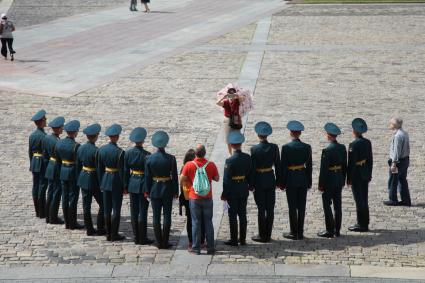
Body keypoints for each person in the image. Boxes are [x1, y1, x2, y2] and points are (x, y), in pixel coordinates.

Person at [181, 145, 219, 255]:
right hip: (207, 197)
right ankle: (210, 247)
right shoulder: (211, 165)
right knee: (208, 222)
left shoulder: (189, 165)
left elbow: (182, 179)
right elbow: (217, 178)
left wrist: (191, 180)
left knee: (196, 223)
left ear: (195, 154)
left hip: (194, 197)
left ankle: (196, 248)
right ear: (205, 153)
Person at [145, 131, 178, 249]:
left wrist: (147, 190)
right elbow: (174, 177)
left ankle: (159, 242)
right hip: (167, 189)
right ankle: (165, 241)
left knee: (156, 216)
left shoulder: (149, 159)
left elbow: (147, 177)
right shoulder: (171, 158)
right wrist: (176, 192)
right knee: (167, 216)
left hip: (154, 189)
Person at [281, 121, 312, 240]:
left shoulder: (286, 147)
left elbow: (283, 166)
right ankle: (300, 231)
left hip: (291, 179)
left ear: (291, 133)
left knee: (292, 206)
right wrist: (309, 181)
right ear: (299, 133)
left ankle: (293, 231)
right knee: (302, 206)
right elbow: (309, 166)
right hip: (303, 178)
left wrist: (282, 182)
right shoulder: (307, 147)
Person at [250, 121, 281, 243]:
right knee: (270, 208)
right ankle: (268, 234)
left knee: (261, 208)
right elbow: (278, 165)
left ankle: (262, 234)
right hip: (270, 179)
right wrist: (279, 181)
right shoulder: (274, 147)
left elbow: (252, 169)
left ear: (258, 135)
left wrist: (251, 184)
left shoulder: (254, 149)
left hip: (259, 180)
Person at [124, 127, 154, 245]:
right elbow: (148, 174)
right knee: (143, 211)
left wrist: (125, 186)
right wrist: (148, 187)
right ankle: (143, 237)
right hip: (142, 185)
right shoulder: (147, 155)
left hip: (132, 183)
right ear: (142, 141)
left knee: (134, 211)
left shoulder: (128, 153)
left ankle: (136, 236)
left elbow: (125, 171)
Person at [221, 131, 252, 246]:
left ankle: (234, 239)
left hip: (233, 190)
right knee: (243, 214)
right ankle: (242, 239)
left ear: (232, 145)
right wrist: (249, 185)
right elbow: (250, 173)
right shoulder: (247, 157)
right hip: (243, 188)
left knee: (232, 215)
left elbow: (226, 179)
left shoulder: (229, 161)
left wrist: (225, 193)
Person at [317, 123, 347, 238]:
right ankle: (337, 230)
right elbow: (345, 165)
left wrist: (321, 184)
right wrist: (343, 178)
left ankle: (330, 230)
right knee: (337, 205)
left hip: (329, 180)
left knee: (327, 205)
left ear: (328, 136)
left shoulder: (327, 150)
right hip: (339, 178)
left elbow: (323, 170)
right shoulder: (342, 147)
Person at [97, 124, 125, 241]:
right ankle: (114, 233)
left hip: (105, 180)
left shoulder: (101, 150)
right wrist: (124, 185)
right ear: (117, 137)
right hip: (116, 182)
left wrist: (101, 183)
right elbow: (122, 171)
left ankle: (108, 233)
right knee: (116, 209)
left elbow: (99, 169)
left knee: (107, 209)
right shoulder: (120, 152)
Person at [76, 123, 106, 236]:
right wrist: (101, 182)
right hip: (93, 180)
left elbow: (78, 165)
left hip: (83, 178)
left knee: (86, 205)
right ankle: (100, 227)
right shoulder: (96, 151)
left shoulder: (80, 148)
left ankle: (89, 229)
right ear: (96, 136)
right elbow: (99, 169)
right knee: (103, 204)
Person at [55, 120, 83, 230]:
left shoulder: (59, 143)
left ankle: (67, 222)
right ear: (75, 132)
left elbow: (58, 161)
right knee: (73, 198)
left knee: (65, 198)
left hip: (63, 172)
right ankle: (72, 223)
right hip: (72, 174)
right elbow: (78, 164)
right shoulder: (76, 146)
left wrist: (60, 172)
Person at [347, 118, 373, 232]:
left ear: (354, 131)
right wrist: (369, 173)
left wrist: (349, 178)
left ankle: (361, 224)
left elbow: (351, 164)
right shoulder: (367, 142)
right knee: (364, 198)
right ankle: (365, 222)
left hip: (357, 174)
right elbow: (370, 160)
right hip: (365, 172)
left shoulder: (353, 144)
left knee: (359, 200)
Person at [178, 149, 206, 250]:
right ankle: (201, 241)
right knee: (200, 219)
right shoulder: (198, 167)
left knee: (190, 220)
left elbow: (181, 183)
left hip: (187, 198)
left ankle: (191, 241)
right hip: (198, 196)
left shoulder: (183, 168)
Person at [384, 117, 411, 206]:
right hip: (405, 160)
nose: (389, 125)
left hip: (398, 162)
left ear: (394, 125)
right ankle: (406, 200)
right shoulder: (405, 133)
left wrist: (394, 163)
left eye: (390, 123)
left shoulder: (398, 136)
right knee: (402, 180)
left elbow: (396, 151)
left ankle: (393, 200)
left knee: (393, 180)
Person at [43, 116, 65, 224]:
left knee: (50, 192)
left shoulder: (47, 138)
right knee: (56, 193)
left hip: (50, 166)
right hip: (56, 167)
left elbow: (45, 155)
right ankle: (53, 217)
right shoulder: (57, 141)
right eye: (61, 127)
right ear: (57, 128)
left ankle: (48, 216)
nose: (62, 129)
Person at [29, 109, 47, 218]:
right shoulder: (43, 136)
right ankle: (42, 211)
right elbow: (45, 152)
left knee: (35, 186)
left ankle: (37, 211)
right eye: (44, 119)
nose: (46, 121)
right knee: (42, 186)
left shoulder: (32, 135)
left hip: (34, 162)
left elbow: (30, 152)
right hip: (41, 162)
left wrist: (32, 162)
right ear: (40, 122)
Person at [216, 87, 245, 155]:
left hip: (235, 118)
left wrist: (237, 96)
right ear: (228, 94)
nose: (231, 97)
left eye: (233, 95)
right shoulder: (225, 102)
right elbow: (217, 103)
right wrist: (224, 97)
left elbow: (243, 99)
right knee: (228, 137)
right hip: (228, 119)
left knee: (237, 134)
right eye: (230, 95)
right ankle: (230, 153)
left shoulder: (237, 100)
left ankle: (238, 150)